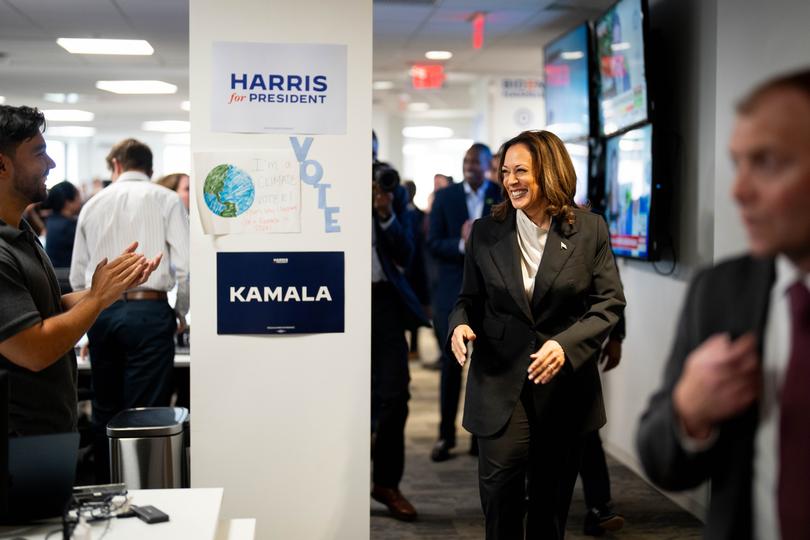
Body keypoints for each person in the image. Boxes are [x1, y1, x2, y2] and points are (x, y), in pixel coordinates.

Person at [636, 69, 810, 540]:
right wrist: (688, 411)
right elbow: (658, 455)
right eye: (738, 164)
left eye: (768, 163)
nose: (738, 191)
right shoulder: (721, 289)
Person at [448, 130, 625, 539]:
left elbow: (609, 304)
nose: (510, 180)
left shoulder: (589, 230)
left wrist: (565, 345)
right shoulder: (485, 231)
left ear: (549, 171)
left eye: (521, 170)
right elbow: (467, 299)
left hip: (563, 391)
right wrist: (458, 324)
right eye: (505, 171)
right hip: (498, 384)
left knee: (549, 510)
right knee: (500, 505)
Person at [0, 105, 159, 436]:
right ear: (2, 165)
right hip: (17, 437)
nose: (51, 163)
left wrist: (109, 288)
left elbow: (48, 311)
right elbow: (33, 349)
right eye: (39, 153)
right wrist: (97, 298)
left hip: (43, 430)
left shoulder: (22, 235)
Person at [70, 138, 189, 482]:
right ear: (149, 168)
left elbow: (79, 274)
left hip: (102, 314)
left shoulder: (92, 204)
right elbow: (185, 268)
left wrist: (85, 320)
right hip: (149, 313)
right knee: (146, 412)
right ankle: (143, 492)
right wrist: (180, 313)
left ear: (117, 166)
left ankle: (106, 490)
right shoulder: (165, 199)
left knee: (105, 408)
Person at [428, 143, 501, 462]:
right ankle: (446, 436)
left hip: (491, 296)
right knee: (450, 366)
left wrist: (481, 244)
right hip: (451, 293)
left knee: (485, 368)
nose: (470, 166)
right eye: (466, 161)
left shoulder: (501, 195)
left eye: (476, 161)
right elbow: (432, 243)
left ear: (488, 165)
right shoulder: (446, 197)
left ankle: (479, 437)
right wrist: (462, 243)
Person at [370, 160, 430, 521]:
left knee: (396, 395)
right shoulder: (327, 184)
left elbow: (407, 253)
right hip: (335, 302)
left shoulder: (393, 192)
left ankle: (387, 484)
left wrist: (385, 212)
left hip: (384, 303)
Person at [580, 320, 626, 536]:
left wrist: (616, 337)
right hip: (529, 342)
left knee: (586, 428)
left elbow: (611, 290)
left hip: (580, 342)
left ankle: (598, 506)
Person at [41, 180, 82, 293]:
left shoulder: (52, 220)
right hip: (66, 281)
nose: (81, 200)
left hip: (55, 278)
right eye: (78, 196)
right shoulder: (69, 227)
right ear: (68, 202)